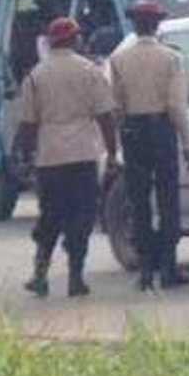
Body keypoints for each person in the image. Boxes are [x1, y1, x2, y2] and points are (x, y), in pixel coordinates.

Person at [17, 17, 119, 298]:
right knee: (81, 217)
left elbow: (28, 123)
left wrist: (27, 156)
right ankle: (75, 277)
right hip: (84, 154)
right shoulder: (90, 71)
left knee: (50, 216)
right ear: (75, 40)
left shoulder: (36, 76)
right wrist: (111, 152)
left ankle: (40, 273)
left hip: (50, 157)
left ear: (50, 42)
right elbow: (105, 116)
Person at [109, 0, 189, 291]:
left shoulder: (119, 60)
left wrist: (123, 134)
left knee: (139, 199)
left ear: (134, 24)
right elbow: (176, 106)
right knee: (168, 199)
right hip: (162, 130)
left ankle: (146, 270)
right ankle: (169, 267)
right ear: (157, 25)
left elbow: (116, 105)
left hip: (134, 130)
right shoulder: (170, 58)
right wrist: (186, 142)